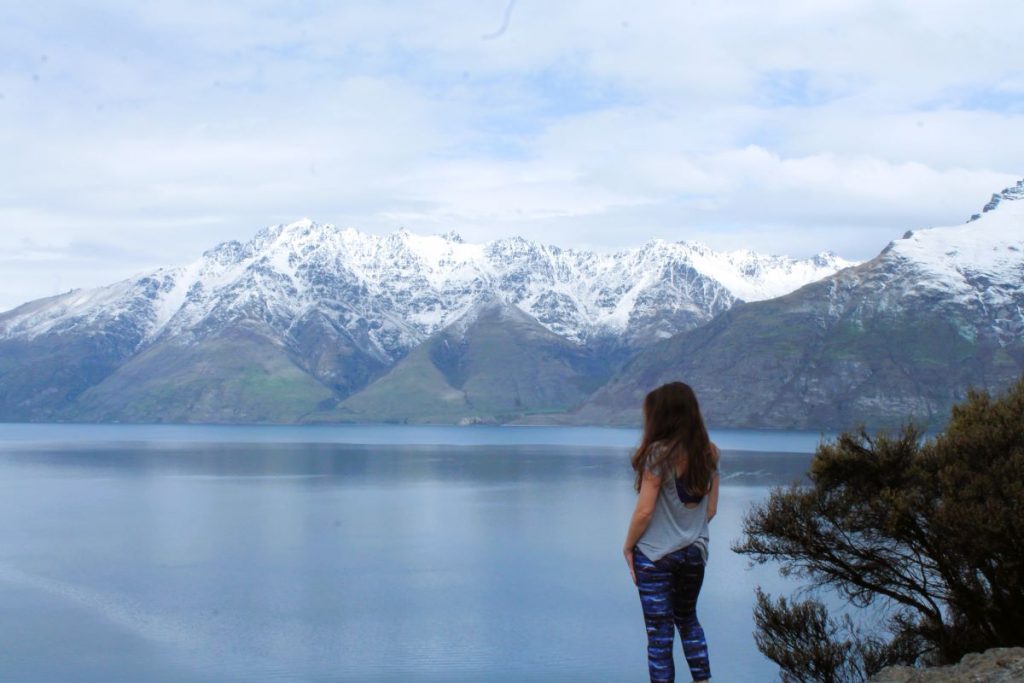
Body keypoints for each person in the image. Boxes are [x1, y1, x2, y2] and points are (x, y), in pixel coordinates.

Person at [622, 381, 720, 683]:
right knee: (688, 621)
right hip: (694, 554)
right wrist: (686, 530)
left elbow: (644, 511)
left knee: (660, 635)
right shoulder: (709, 453)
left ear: (663, 416)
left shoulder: (657, 455)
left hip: (655, 556)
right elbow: (710, 510)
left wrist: (628, 547)